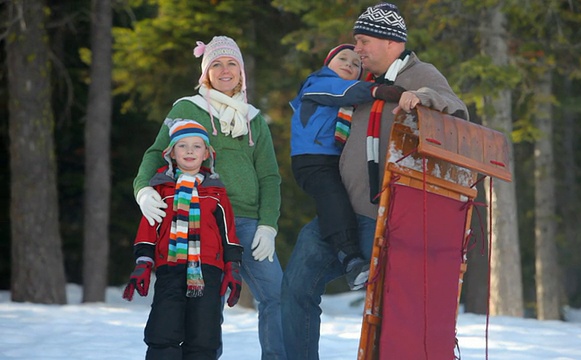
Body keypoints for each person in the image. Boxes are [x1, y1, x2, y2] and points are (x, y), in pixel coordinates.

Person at [281, 3, 470, 359]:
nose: (359, 49)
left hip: (381, 215)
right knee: (295, 289)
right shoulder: (360, 82)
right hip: (339, 212)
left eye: (364, 41)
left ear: (392, 43)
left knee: (390, 309)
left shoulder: (417, 73)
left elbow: (455, 106)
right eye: (356, 41)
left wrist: (423, 98)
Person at [132, 36, 285, 359]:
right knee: (205, 307)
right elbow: (154, 153)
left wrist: (268, 224)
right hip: (200, 218)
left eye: (231, 63)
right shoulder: (187, 108)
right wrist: (144, 189)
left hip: (246, 222)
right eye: (216, 64)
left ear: (241, 72)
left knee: (277, 296)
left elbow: (270, 177)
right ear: (206, 72)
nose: (224, 70)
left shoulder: (255, 119)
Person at [123, 119, 244, 359]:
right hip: (171, 269)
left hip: (207, 272)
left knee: (204, 336)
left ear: (207, 153)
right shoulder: (161, 191)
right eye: (183, 146)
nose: (190, 151)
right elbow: (149, 229)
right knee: (163, 331)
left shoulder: (216, 193)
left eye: (197, 146)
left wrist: (233, 268)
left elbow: (228, 233)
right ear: (171, 153)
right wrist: (143, 263)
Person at [289, 43, 405, 291]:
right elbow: (340, 92)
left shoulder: (350, 97)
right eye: (342, 59)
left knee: (339, 200)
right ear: (327, 64)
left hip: (334, 160)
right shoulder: (318, 83)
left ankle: (358, 254)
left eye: (356, 65)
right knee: (332, 195)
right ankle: (350, 258)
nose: (349, 65)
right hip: (311, 158)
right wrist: (377, 90)